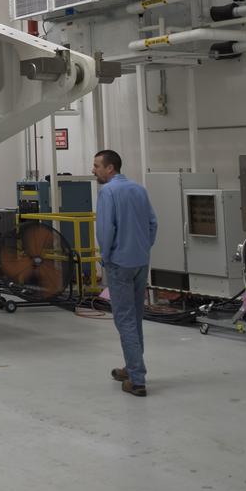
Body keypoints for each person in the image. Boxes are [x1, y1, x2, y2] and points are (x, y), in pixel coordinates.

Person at [93, 149, 157, 398]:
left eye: (97, 165)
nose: (94, 169)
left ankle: (137, 379)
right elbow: (153, 223)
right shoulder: (139, 189)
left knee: (124, 319)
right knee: (135, 316)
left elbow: (106, 230)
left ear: (111, 168)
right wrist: (143, 246)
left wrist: (106, 257)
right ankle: (131, 367)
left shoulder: (108, 192)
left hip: (119, 262)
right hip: (141, 260)